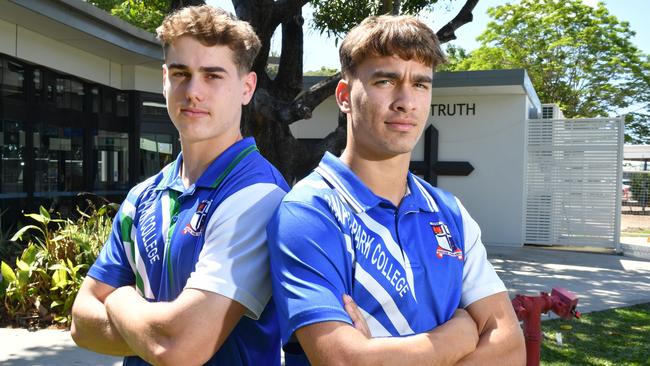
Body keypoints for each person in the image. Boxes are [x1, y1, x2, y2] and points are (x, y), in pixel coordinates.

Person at [267, 15, 525, 365]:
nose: (406, 101)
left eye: (420, 84)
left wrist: (383, 355)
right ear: (344, 96)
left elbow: (510, 348)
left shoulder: (449, 212)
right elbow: (345, 360)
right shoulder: (308, 211)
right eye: (385, 80)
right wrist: (460, 333)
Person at [71, 5, 288, 365]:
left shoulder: (258, 195)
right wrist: (156, 330)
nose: (193, 92)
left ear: (247, 87)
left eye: (213, 76)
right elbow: (81, 321)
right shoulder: (142, 196)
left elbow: (179, 348)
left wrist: (121, 299)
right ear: (164, 79)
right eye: (181, 73)